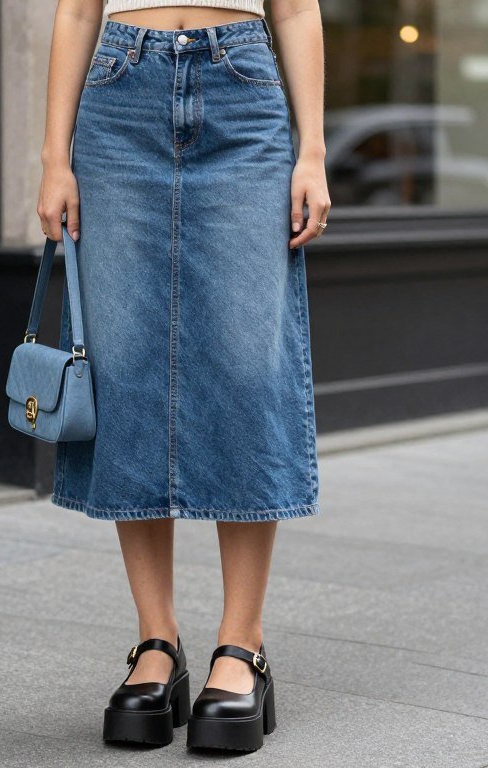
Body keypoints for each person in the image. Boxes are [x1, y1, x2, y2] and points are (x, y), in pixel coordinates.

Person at [36, 0, 328, 752]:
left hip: (244, 92)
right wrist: (53, 158)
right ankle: (156, 644)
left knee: (245, 365)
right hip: (119, 92)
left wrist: (313, 153)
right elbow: (76, 11)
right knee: (127, 364)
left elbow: (294, 8)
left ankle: (243, 644)